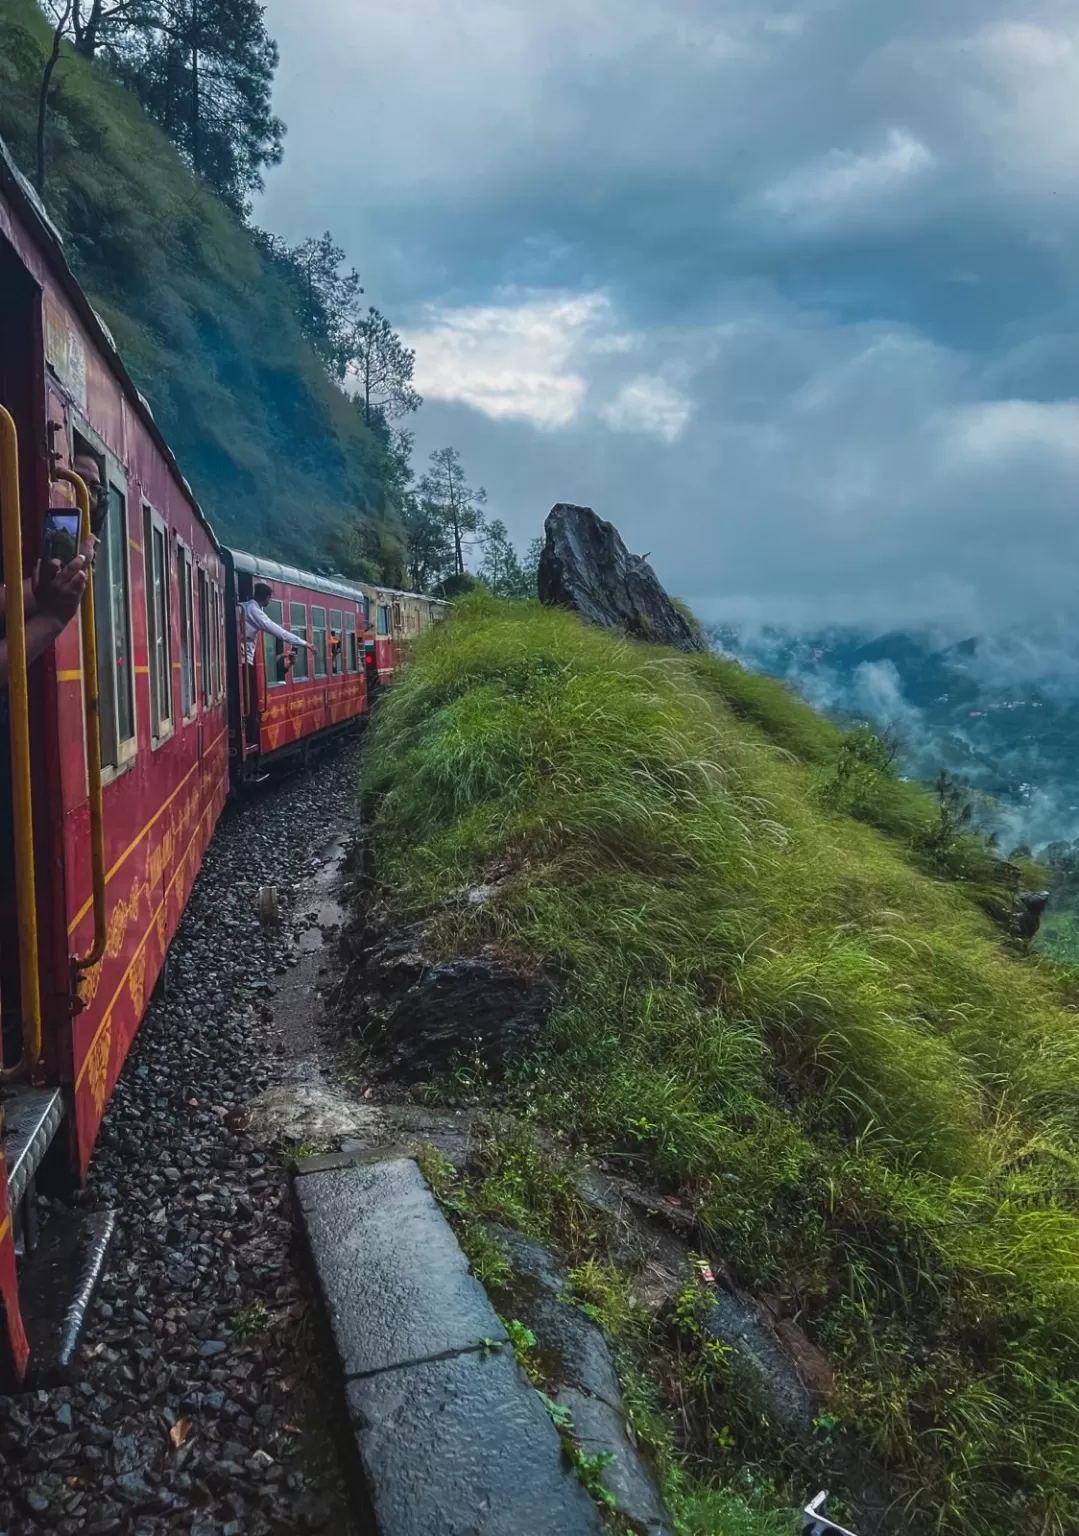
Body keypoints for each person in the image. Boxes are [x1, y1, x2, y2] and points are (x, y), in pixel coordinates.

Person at [240, 581, 312, 742]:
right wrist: (305, 643)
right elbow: (278, 632)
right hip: (244, 663)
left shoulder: (243, 607)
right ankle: (248, 729)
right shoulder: (255, 611)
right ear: (266, 598)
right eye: (269, 599)